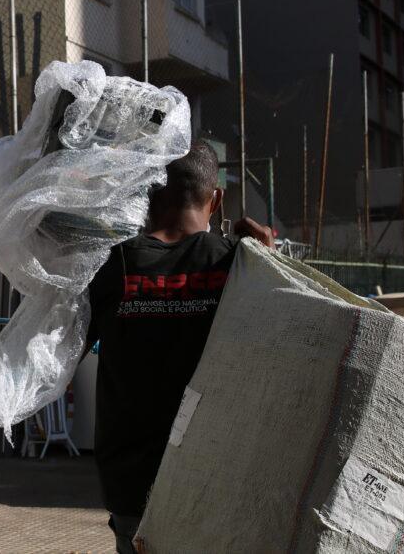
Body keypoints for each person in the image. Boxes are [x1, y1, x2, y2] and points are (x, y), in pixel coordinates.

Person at [85, 141, 273, 553]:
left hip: (132, 485)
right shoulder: (239, 264)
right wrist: (267, 260)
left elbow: (57, 354)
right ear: (217, 199)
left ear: (149, 192)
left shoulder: (110, 267)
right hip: (216, 480)